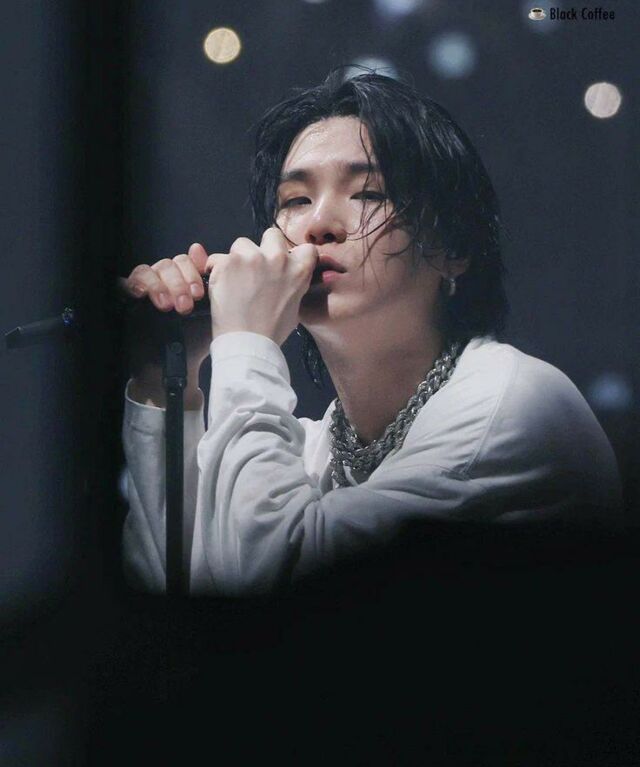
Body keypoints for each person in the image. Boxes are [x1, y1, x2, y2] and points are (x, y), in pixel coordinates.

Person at [121, 70, 622, 595]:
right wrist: (164, 382)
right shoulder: (311, 454)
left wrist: (246, 342)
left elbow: (273, 600)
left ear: (453, 248)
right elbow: (178, 594)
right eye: (296, 200)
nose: (318, 224)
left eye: (368, 193)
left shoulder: (513, 408)